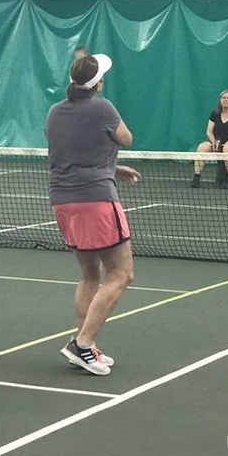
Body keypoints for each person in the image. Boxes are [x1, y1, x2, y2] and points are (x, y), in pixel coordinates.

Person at [45, 53, 139, 376]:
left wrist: (111, 167)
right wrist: (107, 166)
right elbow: (125, 138)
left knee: (89, 275)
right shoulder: (103, 108)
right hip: (96, 200)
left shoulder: (55, 112)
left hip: (63, 201)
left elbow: (71, 153)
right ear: (96, 84)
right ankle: (84, 343)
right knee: (122, 274)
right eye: (102, 78)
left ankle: (83, 345)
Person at [189, 90, 228, 188]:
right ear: (220, 100)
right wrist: (214, 143)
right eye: (223, 98)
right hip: (217, 143)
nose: (225, 100)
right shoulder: (215, 113)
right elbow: (209, 131)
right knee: (202, 147)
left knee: (227, 149)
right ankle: (196, 177)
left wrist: (227, 143)